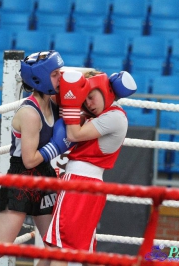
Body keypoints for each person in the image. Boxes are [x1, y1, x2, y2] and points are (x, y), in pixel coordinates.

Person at [0, 50, 73, 266]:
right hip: (21, 179)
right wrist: (57, 146)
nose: (60, 78)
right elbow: (29, 160)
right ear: (40, 78)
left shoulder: (53, 104)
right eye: (55, 74)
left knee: (55, 248)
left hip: (44, 176)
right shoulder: (30, 113)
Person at [44, 69, 137, 266]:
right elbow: (54, 94)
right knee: (62, 249)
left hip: (78, 184)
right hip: (88, 186)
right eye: (84, 99)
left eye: (91, 97)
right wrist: (82, 78)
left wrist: (72, 101)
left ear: (104, 90)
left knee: (60, 250)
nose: (88, 104)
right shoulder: (102, 115)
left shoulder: (114, 117)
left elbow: (74, 135)